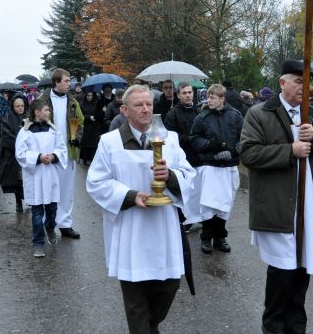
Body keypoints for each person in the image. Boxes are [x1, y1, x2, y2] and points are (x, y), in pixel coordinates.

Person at [240, 60, 313, 334]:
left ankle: (297, 329)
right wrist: (289, 150)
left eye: (307, 82)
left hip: (309, 209)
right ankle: (273, 328)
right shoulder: (260, 114)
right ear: (282, 83)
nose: (303, 87)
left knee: (301, 275)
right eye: (298, 81)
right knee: (282, 274)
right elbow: (248, 153)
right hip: (278, 208)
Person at [86, 84, 196, 334]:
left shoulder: (170, 139)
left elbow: (189, 175)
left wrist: (170, 176)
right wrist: (130, 196)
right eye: (139, 105)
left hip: (164, 227)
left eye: (149, 104)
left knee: (170, 286)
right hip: (130, 229)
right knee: (136, 301)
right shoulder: (109, 143)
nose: (146, 109)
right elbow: (96, 182)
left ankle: (150, 325)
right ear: (124, 110)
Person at [190, 84, 243, 254]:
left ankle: (220, 237)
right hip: (210, 166)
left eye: (213, 97)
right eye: (208, 97)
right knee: (208, 205)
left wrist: (233, 151)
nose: (209, 100)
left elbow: (244, 138)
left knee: (224, 206)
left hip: (229, 167)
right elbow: (194, 138)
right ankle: (206, 238)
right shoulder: (202, 117)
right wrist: (208, 145)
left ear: (222, 98)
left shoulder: (235, 116)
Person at [15, 99, 68, 257]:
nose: (49, 113)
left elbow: (61, 148)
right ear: (37, 112)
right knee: (37, 213)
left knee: (52, 209)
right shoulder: (25, 132)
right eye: (46, 110)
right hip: (35, 176)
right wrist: (38, 157)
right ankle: (38, 243)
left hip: (50, 175)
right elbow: (20, 153)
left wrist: (54, 156)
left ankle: (50, 226)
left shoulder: (53, 130)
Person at [39, 68, 84, 239]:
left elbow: (80, 121)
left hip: (67, 151)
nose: (69, 84)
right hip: (48, 153)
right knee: (47, 188)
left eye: (69, 81)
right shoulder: (42, 100)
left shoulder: (72, 101)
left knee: (66, 190)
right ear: (56, 82)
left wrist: (77, 137)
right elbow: (34, 121)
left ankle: (65, 223)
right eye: (66, 81)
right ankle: (47, 221)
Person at [164, 82, 202, 231]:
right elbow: (170, 136)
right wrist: (189, 138)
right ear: (178, 95)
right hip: (182, 157)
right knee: (186, 190)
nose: (188, 95)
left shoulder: (199, 111)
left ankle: (201, 217)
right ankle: (185, 219)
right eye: (184, 93)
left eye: (190, 92)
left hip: (199, 156)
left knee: (199, 191)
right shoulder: (172, 113)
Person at [0, 93, 28, 212]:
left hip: (28, 155)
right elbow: (6, 137)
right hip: (13, 155)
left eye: (22, 105)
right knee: (16, 181)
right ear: (13, 107)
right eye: (17, 106)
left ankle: (29, 200)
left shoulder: (29, 117)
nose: (20, 108)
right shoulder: (7, 118)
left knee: (27, 180)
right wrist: (19, 147)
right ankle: (18, 202)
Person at [79, 91, 101, 165]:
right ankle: (84, 159)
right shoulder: (82, 104)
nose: (89, 97)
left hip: (95, 127)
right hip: (86, 126)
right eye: (88, 95)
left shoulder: (97, 104)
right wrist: (89, 117)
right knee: (86, 144)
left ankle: (93, 159)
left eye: (91, 95)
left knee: (94, 144)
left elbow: (100, 114)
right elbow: (80, 116)